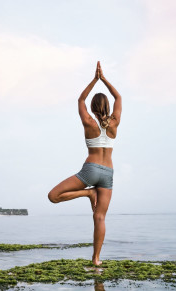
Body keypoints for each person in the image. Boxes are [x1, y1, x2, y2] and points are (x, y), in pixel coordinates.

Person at [47, 61, 122, 266]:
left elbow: (80, 98)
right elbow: (118, 97)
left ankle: (87, 193)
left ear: (92, 107)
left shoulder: (88, 122)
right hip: (108, 173)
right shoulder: (114, 123)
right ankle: (96, 260)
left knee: (53, 196)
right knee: (100, 218)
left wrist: (94, 79)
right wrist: (104, 79)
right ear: (107, 107)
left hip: (90, 171)